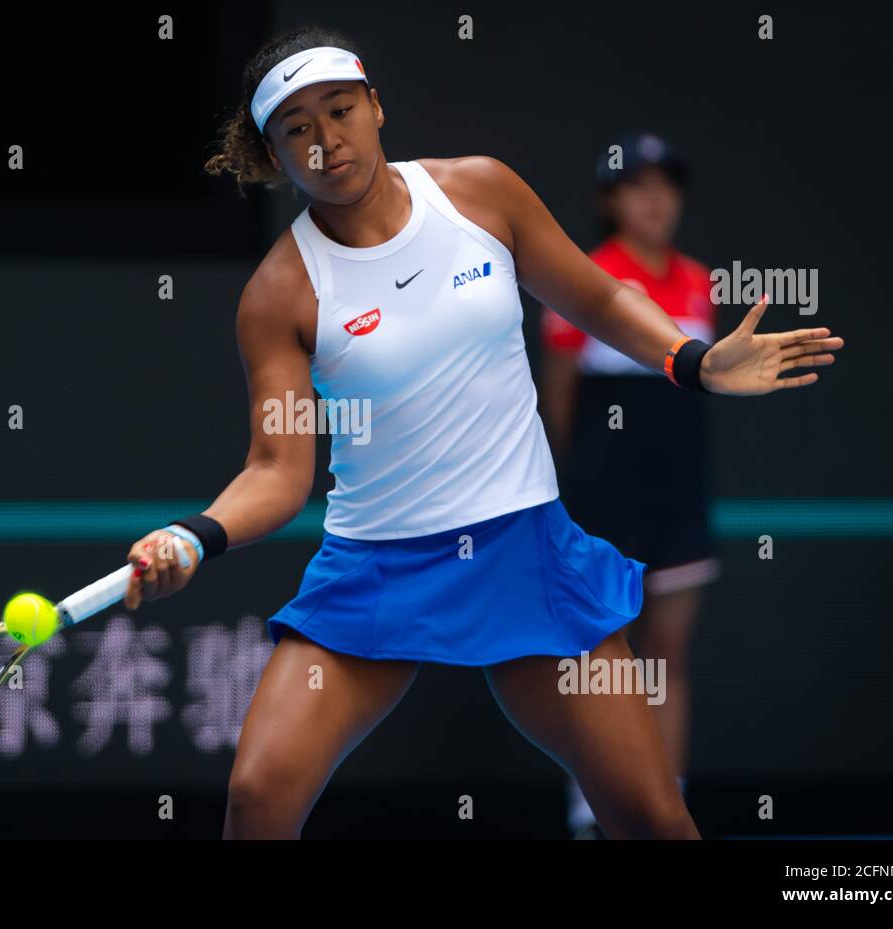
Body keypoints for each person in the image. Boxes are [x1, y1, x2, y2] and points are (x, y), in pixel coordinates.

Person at [119, 29, 842, 839]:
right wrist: (194, 536)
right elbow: (277, 471)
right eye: (296, 129)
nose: (326, 140)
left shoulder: (480, 194)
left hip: (523, 550)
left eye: (340, 109)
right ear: (274, 155)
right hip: (376, 568)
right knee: (256, 797)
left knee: (650, 816)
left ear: (375, 106)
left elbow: (597, 300)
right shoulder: (278, 293)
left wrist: (691, 360)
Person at [540, 132, 717, 839]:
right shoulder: (582, 279)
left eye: (666, 185)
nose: (655, 200)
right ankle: (594, 804)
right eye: (638, 186)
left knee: (669, 652)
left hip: (678, 498)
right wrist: (571, 495)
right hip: (600, 501)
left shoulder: (701, 281)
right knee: (599, 655)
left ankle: (666, 802)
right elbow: (558, 400)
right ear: (609, 200)